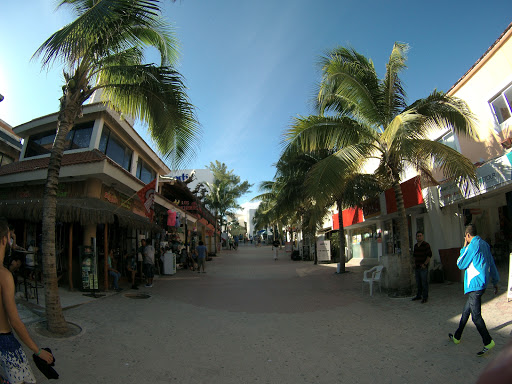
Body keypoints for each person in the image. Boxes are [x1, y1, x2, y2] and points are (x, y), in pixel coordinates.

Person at [0, 217, 53, 383]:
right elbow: (15, 322)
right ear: (4, 239)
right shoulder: (4, 276)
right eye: (10, 236)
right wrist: (38, 351)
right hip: (4, 342)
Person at [449, 224, 500, 357]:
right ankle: (457, 336)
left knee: (476, 316)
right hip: (482, 284)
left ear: (467, 235)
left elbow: (460, 264)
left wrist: (464, 247)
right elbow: (492, 263)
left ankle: (488, 342)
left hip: (475, 285)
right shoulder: (485, 244)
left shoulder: (472, 246)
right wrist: (495, 281)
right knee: (466, 311)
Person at [411, 231, 432, 303]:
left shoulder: (426, 245)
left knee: (424, 282)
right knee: (418, 282)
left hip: (423, 267)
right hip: (417, 267)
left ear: (422, 236)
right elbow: (414, 256)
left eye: (420, 236)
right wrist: (413, 264)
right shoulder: (416, 246)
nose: (419, 237)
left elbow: (429, 256)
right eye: (418, 236)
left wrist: (425, 264)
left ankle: (425, 297)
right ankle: (419, 295)